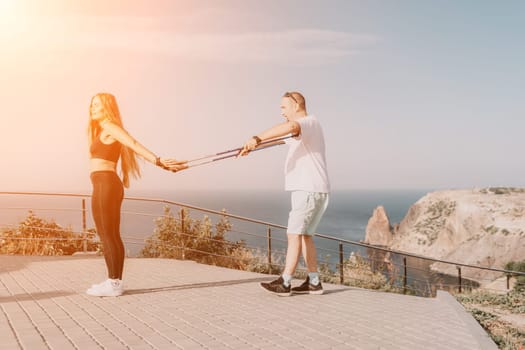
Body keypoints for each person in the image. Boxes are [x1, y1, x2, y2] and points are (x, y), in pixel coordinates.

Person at [87, 92, 187, 297]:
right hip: (102, 184)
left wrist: (158, 161)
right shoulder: (101, 129)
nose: (92, 108)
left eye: (96, 105)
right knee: (108, 234)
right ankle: (112, 281)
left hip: (106, 184)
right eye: (91, 105)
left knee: (108, 234)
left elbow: (132, 143)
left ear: (107, 106)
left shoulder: (110, 126)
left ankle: (114, 284)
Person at [239, 91, 330, 296]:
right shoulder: (304, 130)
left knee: (294, 234)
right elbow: (281, 138)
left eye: (283, 107)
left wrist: (256, 137)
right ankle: (314, 282)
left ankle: (285, 282)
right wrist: (252, 146)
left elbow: (289, 127)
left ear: (296, 105)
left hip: (307, 189)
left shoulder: (307, 122)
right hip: (316, 190)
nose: (281, 112)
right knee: (305, 236)